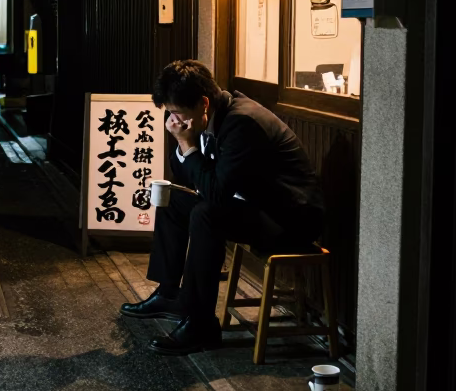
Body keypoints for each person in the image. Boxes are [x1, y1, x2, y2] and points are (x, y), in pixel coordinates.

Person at [121, 60, 325, 355]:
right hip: (254, 204)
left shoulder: (242, 122)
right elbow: (187, 177)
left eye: (178, 112)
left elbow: (215, 193)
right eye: (170, 113)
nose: (176, 120)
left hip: (289, 220)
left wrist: (188, 145)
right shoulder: (212, 116)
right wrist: (183, 144)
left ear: (203, 102)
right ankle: (169, 294)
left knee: (207, 215)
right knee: (173, 199)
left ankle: (201, 324)